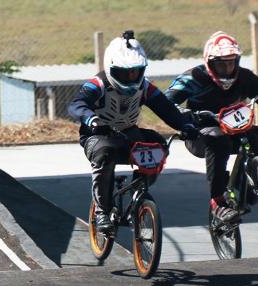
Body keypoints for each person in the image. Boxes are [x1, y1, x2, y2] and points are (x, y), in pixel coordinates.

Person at [67, 31, 199, 233]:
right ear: (111, 68)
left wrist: (185, 126)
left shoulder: (145, 87)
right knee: (105, 152)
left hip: (128, 132)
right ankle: (102, 211)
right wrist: (91, 119)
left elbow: (166, 109)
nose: (131, 78)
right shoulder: (97, 84)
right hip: (96, 136)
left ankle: (139, 190)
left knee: (158, 145)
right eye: (125, 73)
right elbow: (76, 105)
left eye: (136, 72)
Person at [165, 31, 258, 223]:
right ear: (209, 63)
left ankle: (243, 186)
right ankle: (218, 202)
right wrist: (181, 114)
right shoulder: (193, 77)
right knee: (217, 138)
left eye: (231, 62)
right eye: (221, 64)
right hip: (199, 136)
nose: (227, 68)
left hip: (234, 131)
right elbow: (165, 103)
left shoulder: (245, 77)